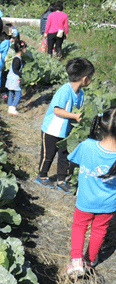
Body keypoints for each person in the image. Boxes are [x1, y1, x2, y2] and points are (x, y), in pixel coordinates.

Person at [66, 107, 116, 279]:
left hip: (85, 200)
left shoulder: (87, 146)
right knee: (99, 230)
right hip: (108, 204)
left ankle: (77, 261)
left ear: (100, 126)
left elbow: (72, 160)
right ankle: (90, 260)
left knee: (79, 226)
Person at [36, 57, 95, 193]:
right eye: (91, 77)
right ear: (85, 78)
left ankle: (61, 180)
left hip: (67, 132)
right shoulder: (64, 91)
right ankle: (42, 175)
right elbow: (57, 110)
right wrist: (75, 116)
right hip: (52, 130)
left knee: (65, 156)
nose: (91, 80)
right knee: (48, 155)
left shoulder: (80, 94)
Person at [5, 40, 27, 115]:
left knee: (11, 92)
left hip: (10, 78)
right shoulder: (17, 59)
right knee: (18, 93)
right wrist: (21, 74)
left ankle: (10, 106)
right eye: (25, 48)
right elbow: (15, 69)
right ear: (21, 49)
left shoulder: (16, 58)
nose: (26, 49)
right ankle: (13, 107)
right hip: (15, 79)